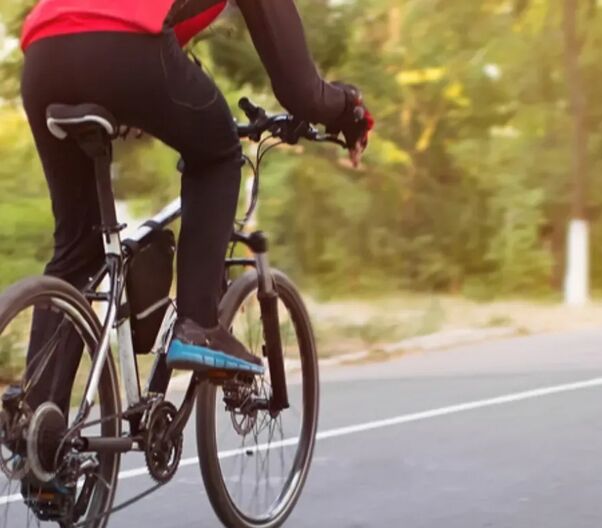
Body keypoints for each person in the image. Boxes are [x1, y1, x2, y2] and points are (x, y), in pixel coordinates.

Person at [20, 0, 373, 377]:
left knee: (79, 244)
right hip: (123, 44)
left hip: (44, 56)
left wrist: (130, 99)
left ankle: (39, 407)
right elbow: (302, 92)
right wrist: (350, 109)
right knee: (218, 155)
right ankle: (199, 327)